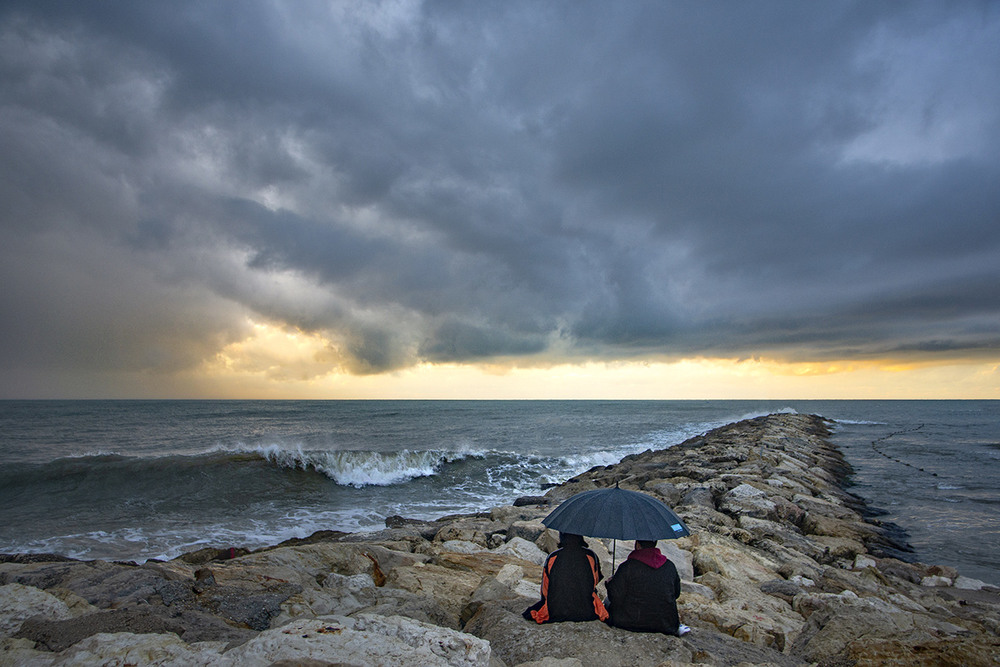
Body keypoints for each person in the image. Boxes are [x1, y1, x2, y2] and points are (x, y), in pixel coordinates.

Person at [605, 539, 687, 635]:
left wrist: (610, 584)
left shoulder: (627, 567)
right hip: (665, 624)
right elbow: (676, 594)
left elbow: (615, 597)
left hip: (628, 622)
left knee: (607, 602)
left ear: (638, 545)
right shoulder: (669, 566)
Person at [523, 533, 609, 623]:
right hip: (586, 610)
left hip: (556, 610)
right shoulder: (591, 555)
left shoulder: (553, 557)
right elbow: (595, 580)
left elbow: (545, 589)